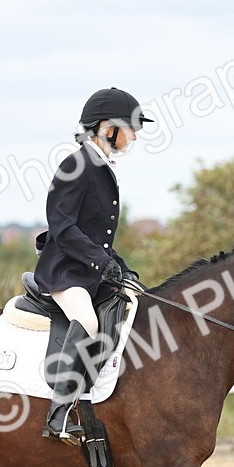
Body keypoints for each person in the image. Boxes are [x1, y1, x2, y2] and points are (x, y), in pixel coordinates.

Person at [34, 87, 152, 444]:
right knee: (87, 321)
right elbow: (63, 227)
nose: (134, 137)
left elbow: (99, 237)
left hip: (90, 270)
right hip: (65, 272)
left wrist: (119, 267)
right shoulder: (76, 165)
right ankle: (59, 415)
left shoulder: (101, 168)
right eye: (130, 129)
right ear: (106, 127)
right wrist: (102, 262)